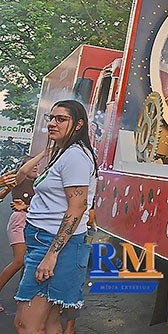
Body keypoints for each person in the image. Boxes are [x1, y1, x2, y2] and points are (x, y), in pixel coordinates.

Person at [14, 100, 97, 334]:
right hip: (43, 241)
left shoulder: (75, 157)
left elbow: (77, 207)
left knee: (26, 326)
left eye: (61, 119)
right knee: (48, 324)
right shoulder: (64, 153)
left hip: (53, 245)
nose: (52, 123)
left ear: (79, 124)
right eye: (51, 118)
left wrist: (51, 255)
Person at [0, 165, 35, 313]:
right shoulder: (21, 179)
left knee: (26, 261)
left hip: (33, 222)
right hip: (19, 221)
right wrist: (44, 153)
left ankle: (22, 295)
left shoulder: (39, 182)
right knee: (20, 260)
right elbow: (22, 172)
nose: (36, 168)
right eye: (33, 166)